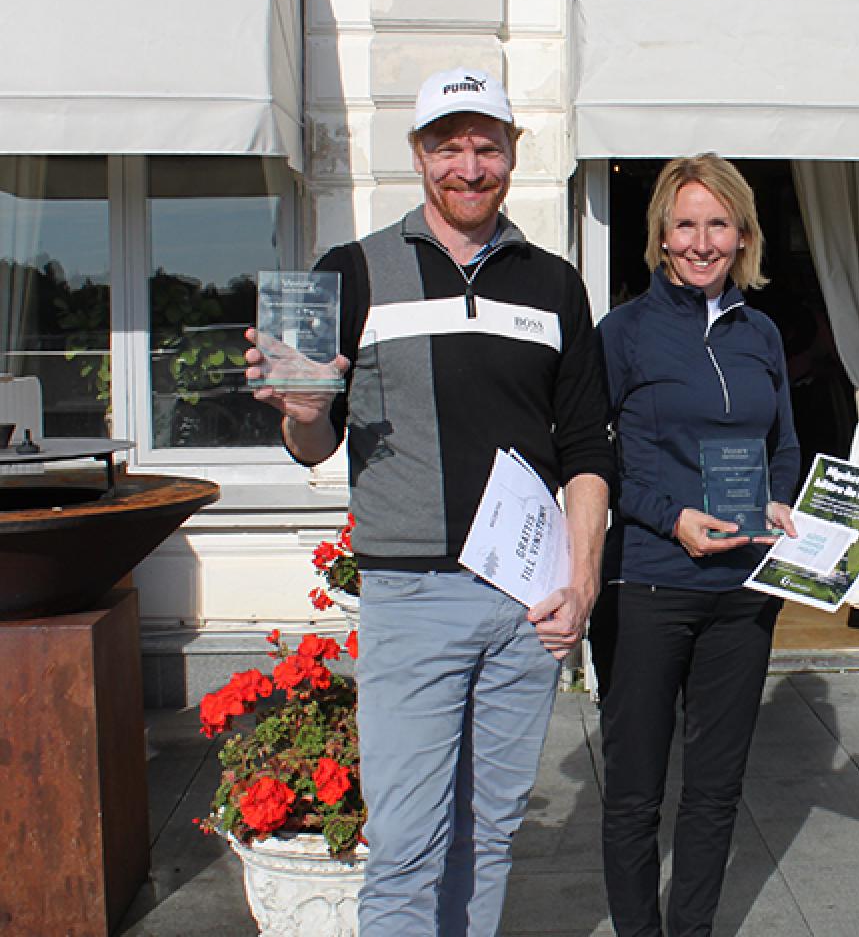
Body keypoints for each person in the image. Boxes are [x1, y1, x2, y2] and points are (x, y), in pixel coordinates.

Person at [245, 68, 614, 937]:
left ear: (513, 155)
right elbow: (312, 438)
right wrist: (305, 413)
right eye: (449, 145)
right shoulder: (354, 271)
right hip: (413, 598)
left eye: (488, 145)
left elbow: (589, 450)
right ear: (419, 154)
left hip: (527, 598)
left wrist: (584, 583)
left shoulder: (554, 284)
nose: (470, 165)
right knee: (407, 844)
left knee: (488, 836)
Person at [592, 153, 801, 937]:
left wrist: (780, 497)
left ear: (742, 234)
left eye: (719, 223)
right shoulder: (624, 334)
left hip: (743, 593)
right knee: (636, 790)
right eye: (686, 223)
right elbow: (593, 459)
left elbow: (784, 442)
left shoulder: (763, 333)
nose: (702, 240)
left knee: (715, 789)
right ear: (661, 233)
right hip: (646, 586)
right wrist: (668, 515)